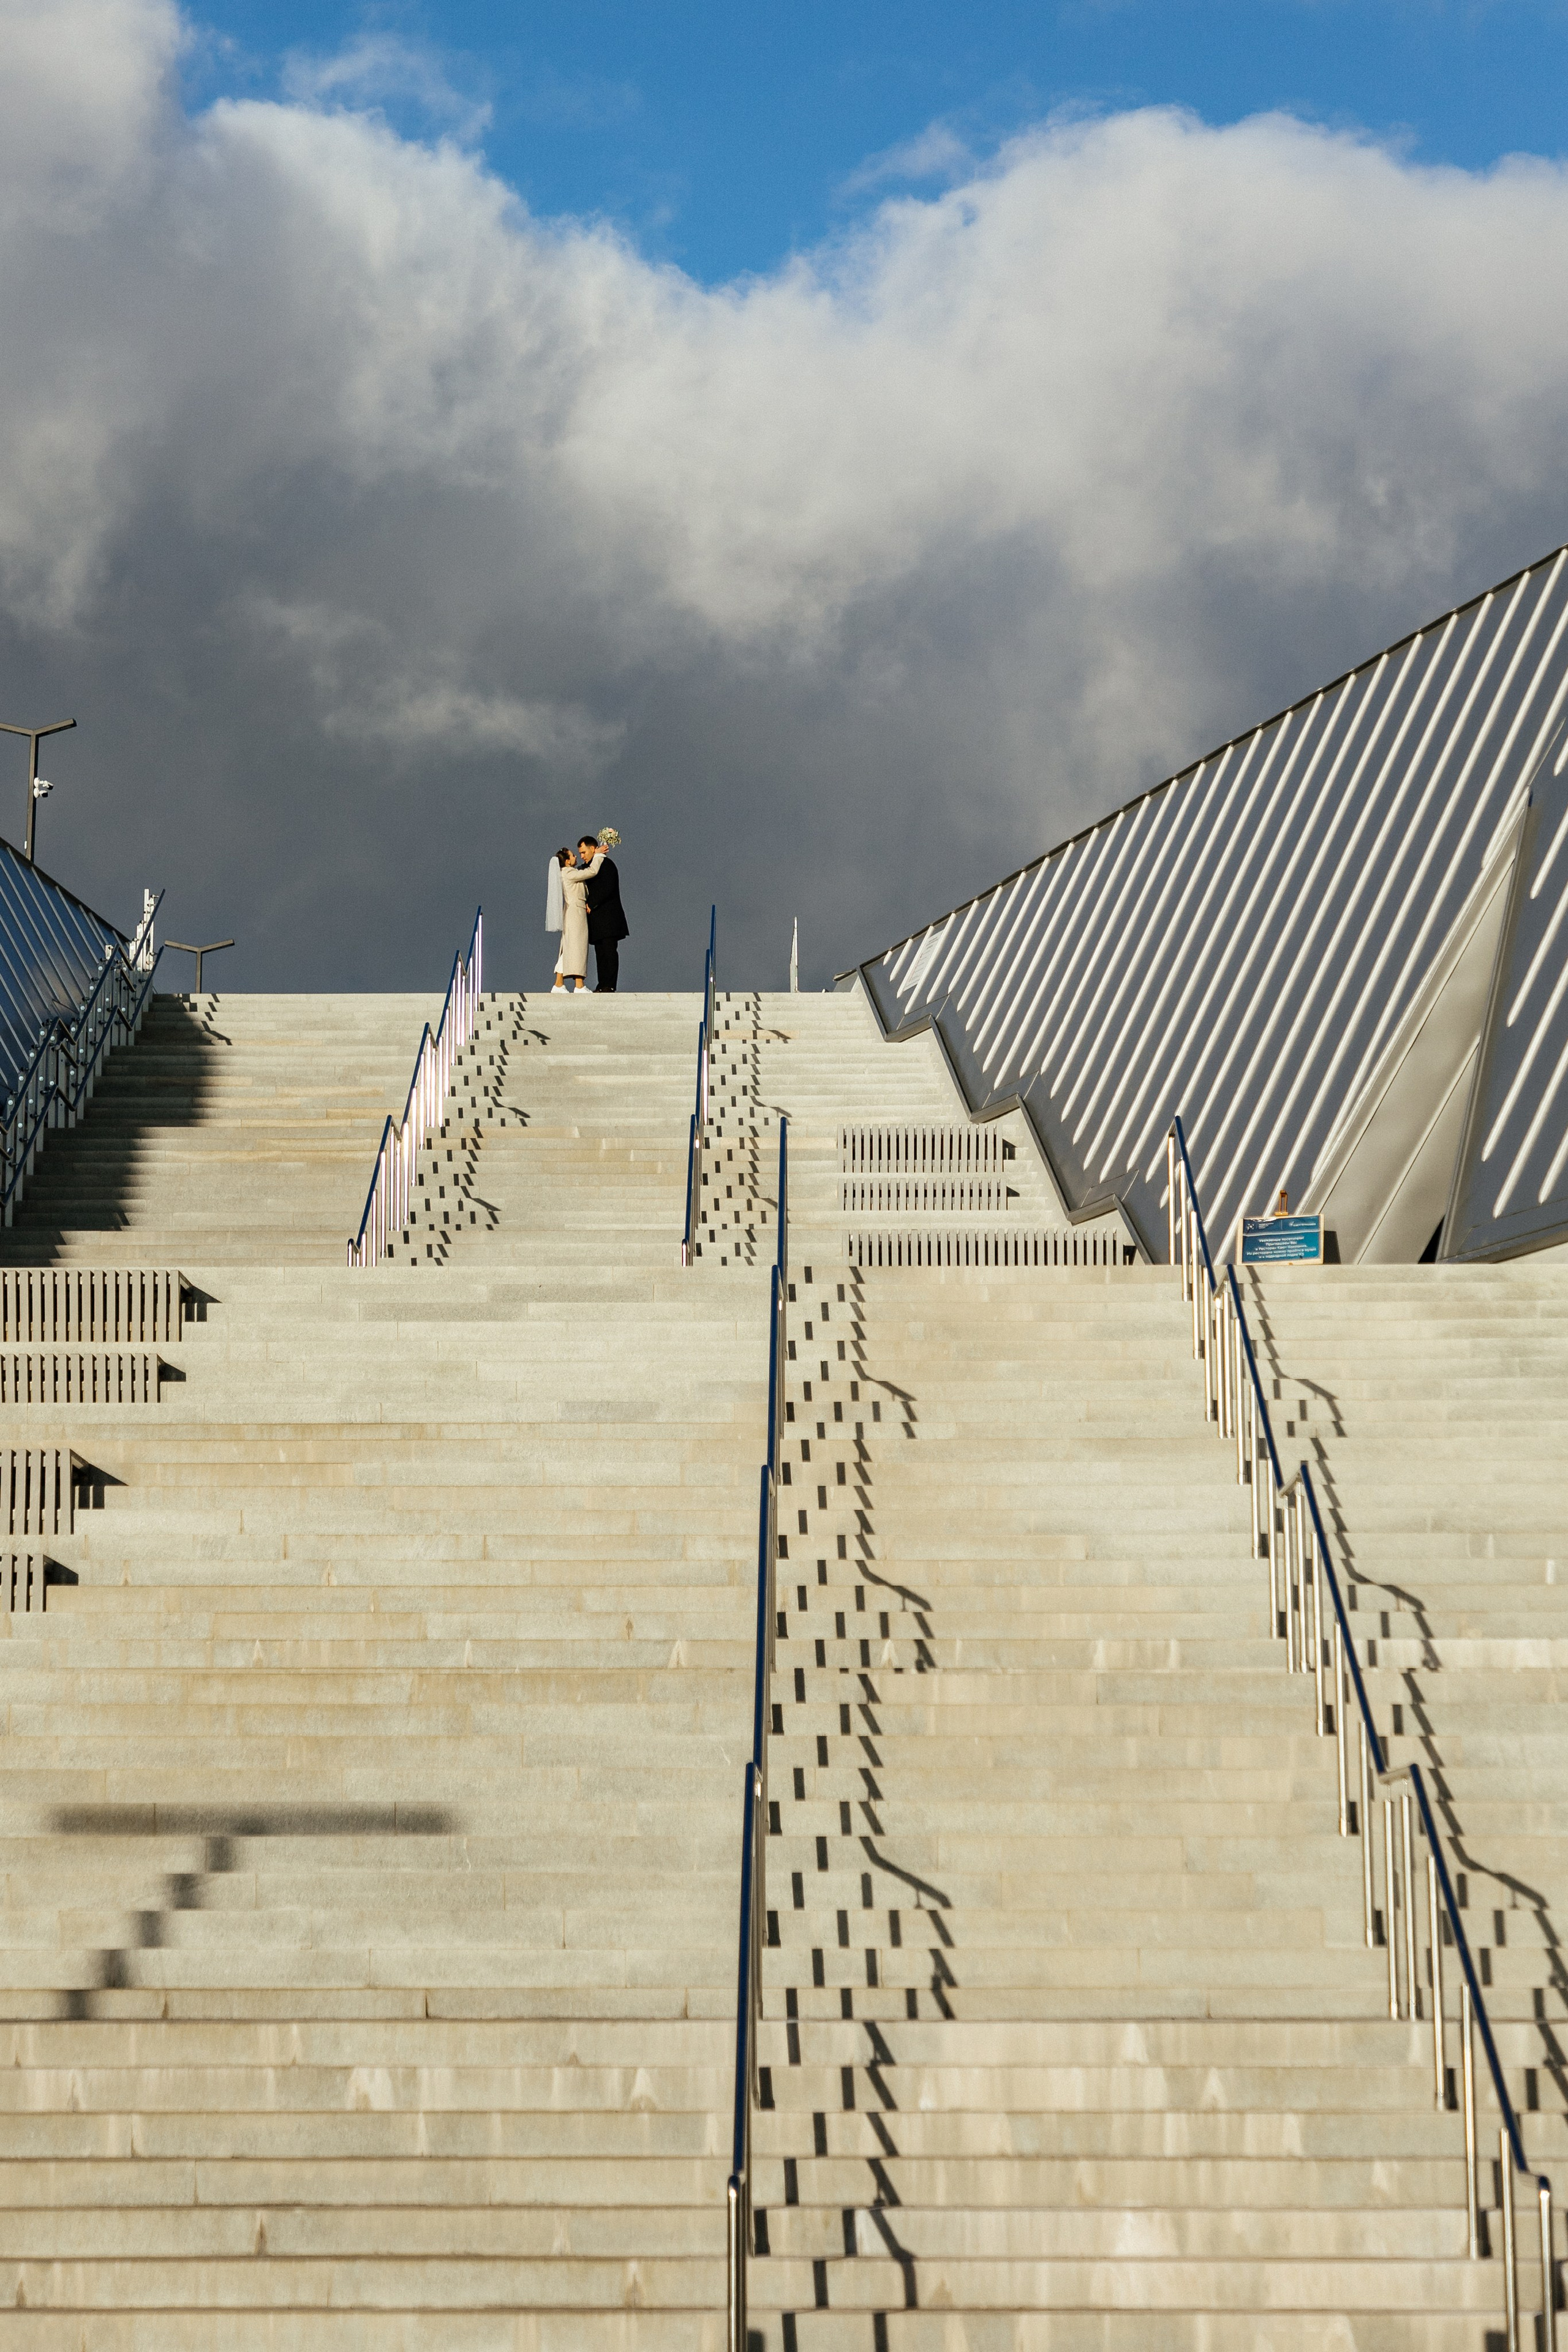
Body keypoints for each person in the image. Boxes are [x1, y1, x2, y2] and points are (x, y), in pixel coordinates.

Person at [551, 843, 603, 995]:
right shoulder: (568, 873)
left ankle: (559, 984)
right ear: (567, 861)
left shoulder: (569, 872)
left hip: (573, 912)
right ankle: (579, 985)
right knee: (578, 947)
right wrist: (598, 855)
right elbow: (592, 872)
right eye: (573, 855)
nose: (576, 857)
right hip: (575, 913)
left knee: (568, 948)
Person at [579, 834, 628, 993]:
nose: (582, 856)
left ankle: (610, 984)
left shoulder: (606, 864)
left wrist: (591, 903)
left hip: (609, 919)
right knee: (600, 954)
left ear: (593, 849)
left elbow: (608, 887)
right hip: (597, 921)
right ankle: (602, 984)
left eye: (584, 852)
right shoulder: (590, 866)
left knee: (609, 952)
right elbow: (580, 872)